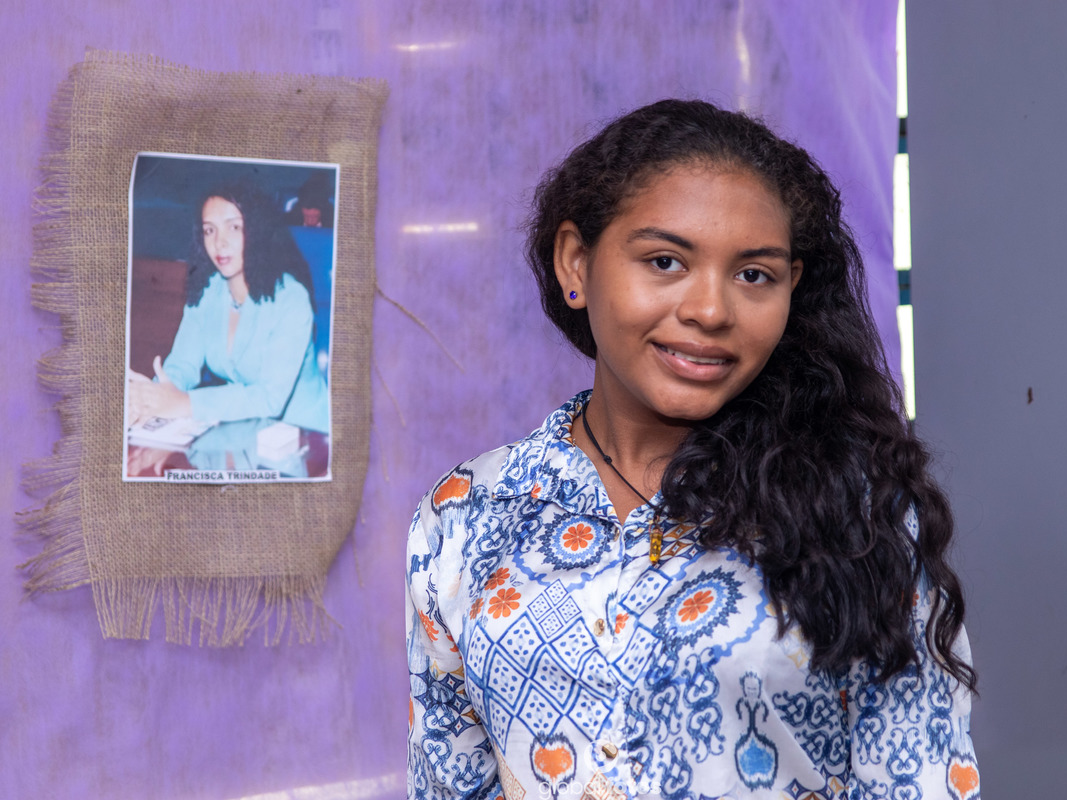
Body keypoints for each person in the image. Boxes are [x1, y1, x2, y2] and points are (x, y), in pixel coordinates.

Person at [406, 100, 979, 800]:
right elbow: (450, 782)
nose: (710, 310)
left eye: (753, 275)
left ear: (791, 287)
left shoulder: (858, 511)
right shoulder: (465, 515)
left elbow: (920, 779)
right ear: (576, 262)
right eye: (666, 261)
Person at [127, 180, 330, 435]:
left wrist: (185, 403)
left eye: (234, 227)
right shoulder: (208, 289)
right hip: (242, 431)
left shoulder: (291, 298)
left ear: (257, 230)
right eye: (209, 230)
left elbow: (269, 399)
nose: (219, 242)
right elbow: (182, 364)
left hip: (305, 435)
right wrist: (153, 398)